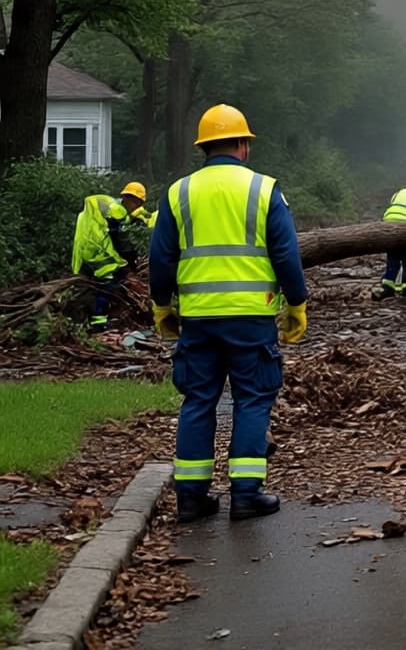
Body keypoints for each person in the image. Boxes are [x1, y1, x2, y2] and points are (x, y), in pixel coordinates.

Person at [149, 104, 308, 524]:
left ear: (203, 147)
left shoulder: (179, 193)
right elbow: (287, 255)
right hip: (251, 318)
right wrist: (297, 304)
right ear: (242, 144)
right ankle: (246, 495)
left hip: (197, 317)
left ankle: (191, 499)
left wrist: (162, 305)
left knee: (198, 400)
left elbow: (161, 257)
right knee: (253, 400)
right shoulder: (263, 190)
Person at [71, 184, 144, 331]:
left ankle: (77, 319)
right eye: (136, 202)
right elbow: (120, 240)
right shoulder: (118, 211)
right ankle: (99, 322)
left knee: (88, 286)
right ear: (127, 198)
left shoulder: (104, 208)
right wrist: (130, 260)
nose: (136, 207)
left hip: (85, 251)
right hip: (100, 254)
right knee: (109, 284)